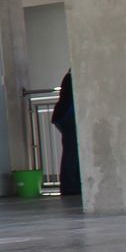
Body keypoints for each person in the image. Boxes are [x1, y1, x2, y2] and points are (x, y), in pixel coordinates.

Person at [50, 70, 81, 198]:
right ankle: (71, 186)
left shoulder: (70, 77)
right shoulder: (74, 77)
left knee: (71, 151)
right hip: (69, 117)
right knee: (72, 152)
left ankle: (71, 186)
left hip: (64, 116)